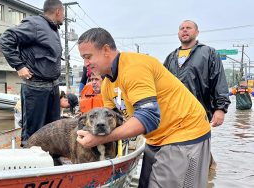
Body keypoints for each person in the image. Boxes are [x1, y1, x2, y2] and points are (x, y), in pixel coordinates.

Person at [76, 28, 211, 188]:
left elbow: (149, 117)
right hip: (156, 137)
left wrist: (101, 139)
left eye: (88, 57)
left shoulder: (134, 67)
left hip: (184, 134)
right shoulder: (107, 85)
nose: (86, 64)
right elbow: (112, 122)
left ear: (106, 50)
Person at [164, 20, 231, 168]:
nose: (185, 30)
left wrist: (220, 109)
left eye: (189, 28)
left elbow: (219, 80)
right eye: (181, 28)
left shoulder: (208, 52)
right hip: (174, 115)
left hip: (199, 112)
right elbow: (161, 86)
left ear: (197, 32)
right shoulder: (170, 57)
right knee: (178, 152)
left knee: (199, 150)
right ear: (178, 33)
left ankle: (209, 173)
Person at [0, 0, 64, 146]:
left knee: (53, 129)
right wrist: (19, 66)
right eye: (63, 14)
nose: (64, 17)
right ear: (58, 11)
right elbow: (6, 39)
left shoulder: (53, 29)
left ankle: (51, 161)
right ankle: (30, 162)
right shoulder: (35, 24)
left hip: (53, 87)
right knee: (34, 132)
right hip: (36, 88)